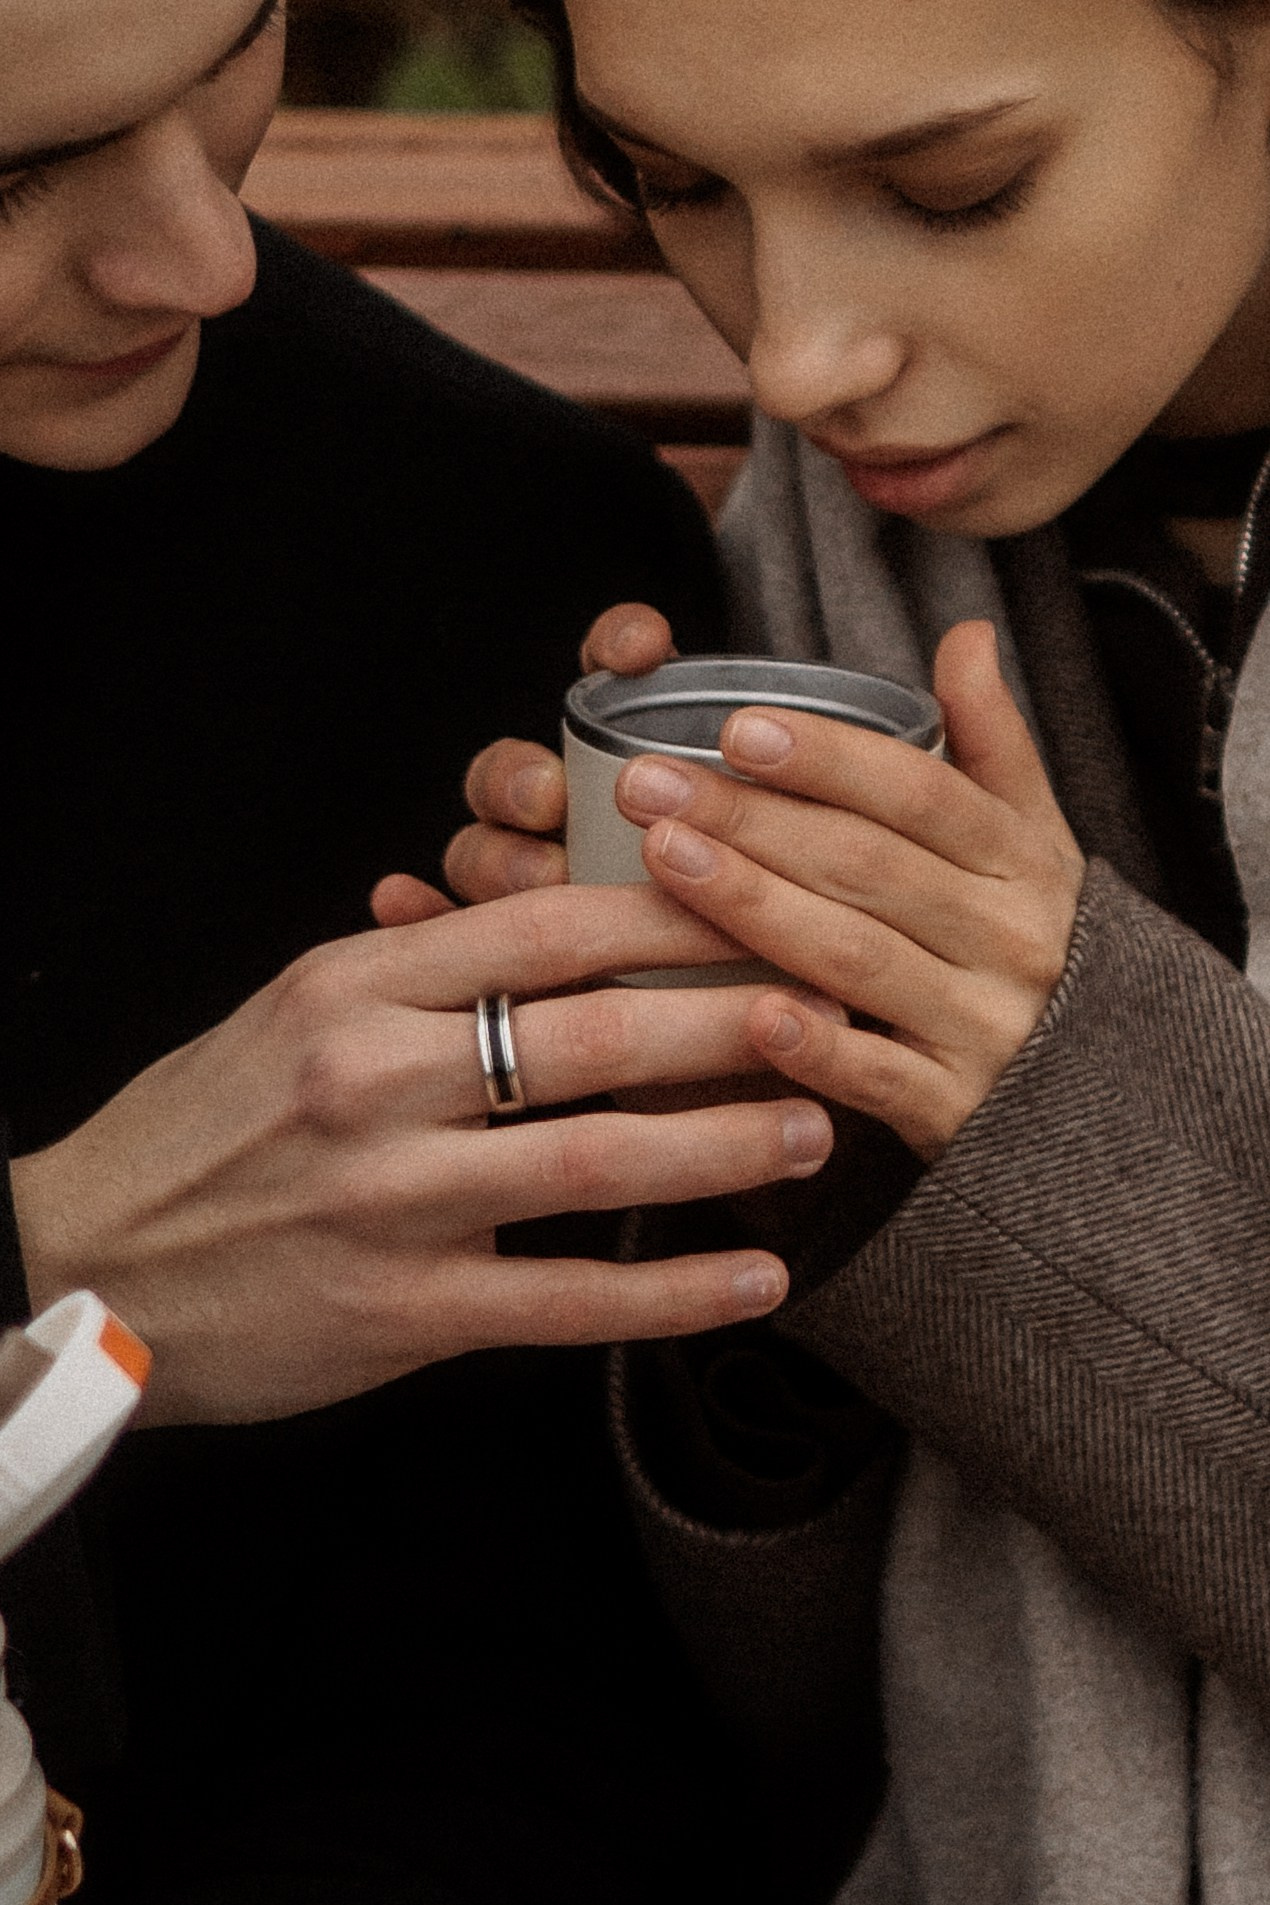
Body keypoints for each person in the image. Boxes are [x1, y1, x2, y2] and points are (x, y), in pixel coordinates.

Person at [0, 0, 853, 1896]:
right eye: (7, 177)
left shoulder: (461, 544)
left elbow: (513, 1706)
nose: (207, 256)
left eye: (230, 44)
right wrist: (55, 1272)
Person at [440, 0, 1270, 1896]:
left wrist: (1066, 1126)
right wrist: (773, 1202)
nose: (797, 354)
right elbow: (772, 1732)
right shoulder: (827, 562)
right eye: (671, 184)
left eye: (951, 187)